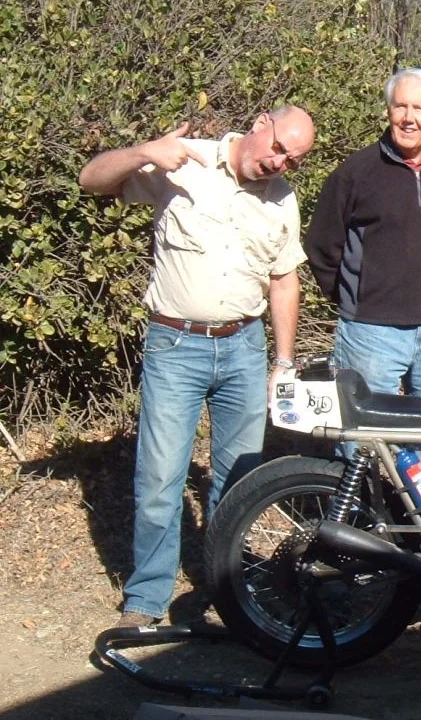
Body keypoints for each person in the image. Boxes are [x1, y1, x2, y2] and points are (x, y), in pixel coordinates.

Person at [78, 106, 315, 627]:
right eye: (277, 147)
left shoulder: (282, 199)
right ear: (259, 123)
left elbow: (283, 280)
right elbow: (91, 179)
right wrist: (143, 152)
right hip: (175, 345)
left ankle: (228, 592)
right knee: (161, 479)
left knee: (238, 483)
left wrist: (283, 360)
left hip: (244, 349)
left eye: (292, 160)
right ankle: (147, 598)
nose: (279, 163)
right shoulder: (184, 163)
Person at [305, 69, 421, 401]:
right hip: (370, 331)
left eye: (419, 109)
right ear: (388, 110)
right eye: (400, 107)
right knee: (366, 442)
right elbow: (322, 247)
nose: (408, 118)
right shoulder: (355, 173)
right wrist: (354, 299)